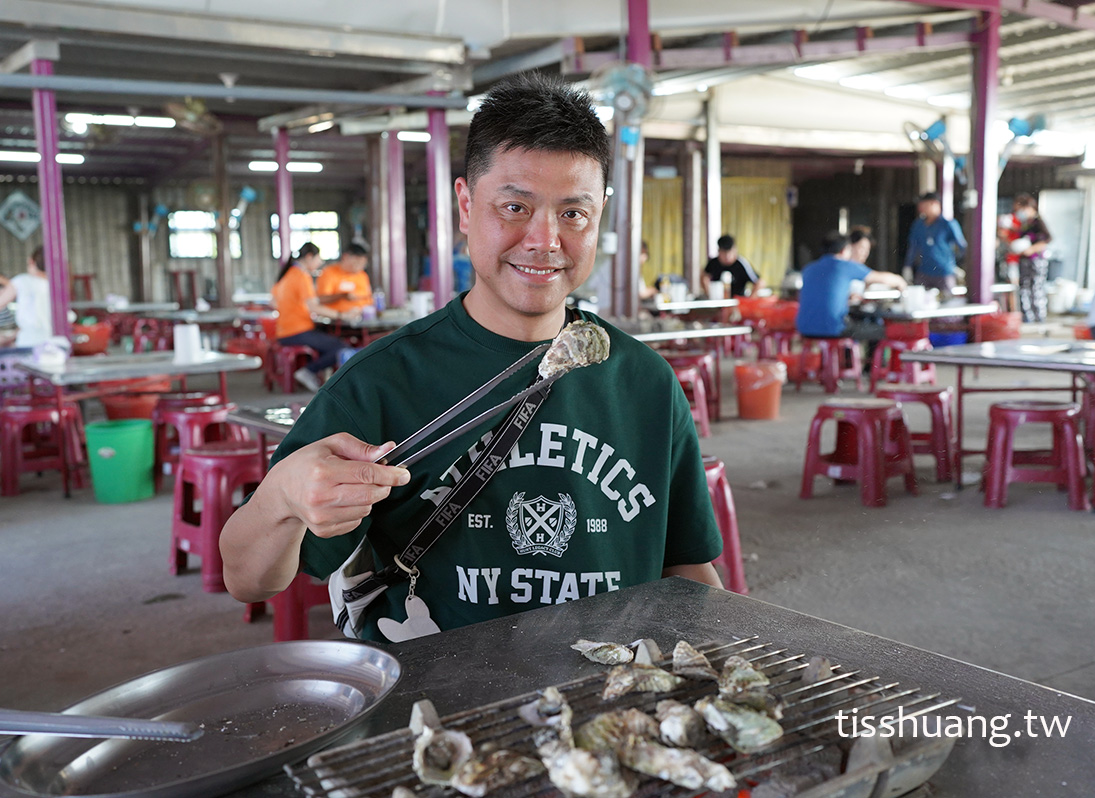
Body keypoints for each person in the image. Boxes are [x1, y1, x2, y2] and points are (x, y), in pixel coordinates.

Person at [219, 73, 722, 644]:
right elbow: (247, 578)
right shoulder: (383, 382)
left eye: (573, 214)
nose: (544, 240)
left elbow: (686, 568)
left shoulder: (644, 381)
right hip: (439, 706)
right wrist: (285, 495)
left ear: (599, 214)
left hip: (605, 701)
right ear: (465, 206)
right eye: (513, 207)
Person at [796, 230, 908, 341]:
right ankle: (871, 359)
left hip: (804, 328)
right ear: (844, 250)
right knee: (881, 330)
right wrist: (900, 281)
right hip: (832, 329)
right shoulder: (845, 265)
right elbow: (881, 278)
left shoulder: (808, 268)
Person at [271, 242, 351, 392]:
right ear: (309, 257)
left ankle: (314, 375)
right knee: (341, 346)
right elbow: (314, 307)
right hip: (297, 331)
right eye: (318, 259)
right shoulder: (302, 276)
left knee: (326, 342)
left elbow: (273, 302)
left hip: (283, 331)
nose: (320, 263)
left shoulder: (286, 275)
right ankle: (308, 371)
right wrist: (342, 314)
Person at [0, 246, 51, 347]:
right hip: (54, 345)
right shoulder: (57, 285)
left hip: (28, 345)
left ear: (31, 261)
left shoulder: (22, 281)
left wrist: (0, 282)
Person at [903, 192, 967, 295]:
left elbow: (962, 246)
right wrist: (908, 266)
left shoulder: (948, 224)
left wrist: (957, 265)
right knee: (920, 301)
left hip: (944, 272)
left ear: (935, 204)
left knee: (947, 303)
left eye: (924, 204)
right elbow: (913, 247)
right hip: (923, 272)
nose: (921, 208)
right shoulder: (918, 225)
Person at [1011, 193, 1052, 323]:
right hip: (1024, 261)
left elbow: (1048, 239)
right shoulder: (1024, 224)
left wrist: (1032, 249)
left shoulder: (1037, 222)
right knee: (1024, 289)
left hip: (1036, 261)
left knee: (1036, 289)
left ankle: (1039, 318)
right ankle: (1027, 318)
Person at [316, 244, 373, 316]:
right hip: (336, 320)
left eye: (363, 264)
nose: (360, 267)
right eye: (357, 262)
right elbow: (320, 299)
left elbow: (368, 298)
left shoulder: (362, 275)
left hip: (361, 318)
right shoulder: (328, 273)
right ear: (345, 257)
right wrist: (342, 296)